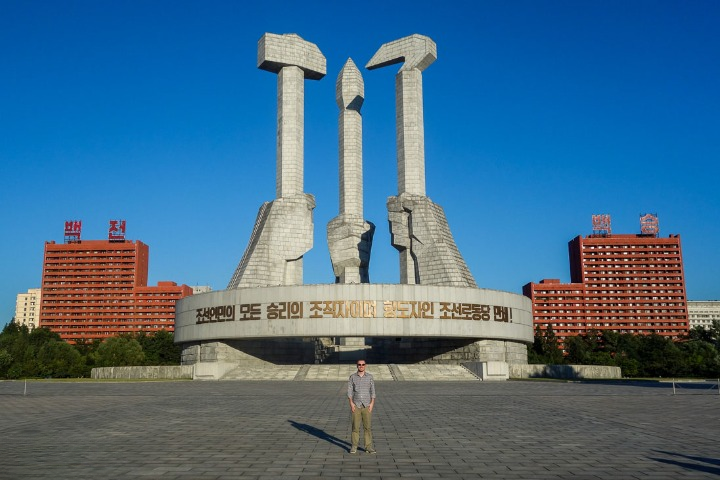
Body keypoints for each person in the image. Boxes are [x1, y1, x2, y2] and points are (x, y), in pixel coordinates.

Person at [347, 359, 376, 454]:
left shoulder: (370, 377)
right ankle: (354, 446)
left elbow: (373, 391)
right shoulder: (352, 377)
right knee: (355, 427)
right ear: (357, 366)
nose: (361, 366)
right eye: (359, 364)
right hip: (356, 405)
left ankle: (368, 447)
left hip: (367, 405)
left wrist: (372, 404)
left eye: (363, 364)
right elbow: (350, 391)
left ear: (365, 365)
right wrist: (351, 403)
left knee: (367, 427)